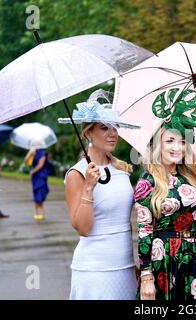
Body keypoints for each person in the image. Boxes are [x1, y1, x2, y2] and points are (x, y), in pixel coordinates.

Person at [135, 89, 196, 300]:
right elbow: (145, 231)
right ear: (158, 144)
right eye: (170, 141)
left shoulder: (191, 177)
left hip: (192, 255)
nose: (177, 147)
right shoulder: (148, 182)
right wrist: (146, 277)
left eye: (182, 141)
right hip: (163, 258)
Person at [61, 90, 141, 300]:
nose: (112, 133)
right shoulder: (77, 174)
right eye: (104, 128)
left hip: (125, 265)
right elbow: (83, 228)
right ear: (88, 133)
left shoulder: (122, 170)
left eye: (114, 128)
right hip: (95, 269)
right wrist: (89, 187)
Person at [24, 144, 50, 221]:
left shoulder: (43, 152)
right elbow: (26, 161)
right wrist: (30, 153)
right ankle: (36, 212)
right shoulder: (32, 152)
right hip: (35, 176)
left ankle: (41, 212)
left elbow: (41, 165)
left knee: (40, 192)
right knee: (36, 192)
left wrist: (33, 171)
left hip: (41, 174)